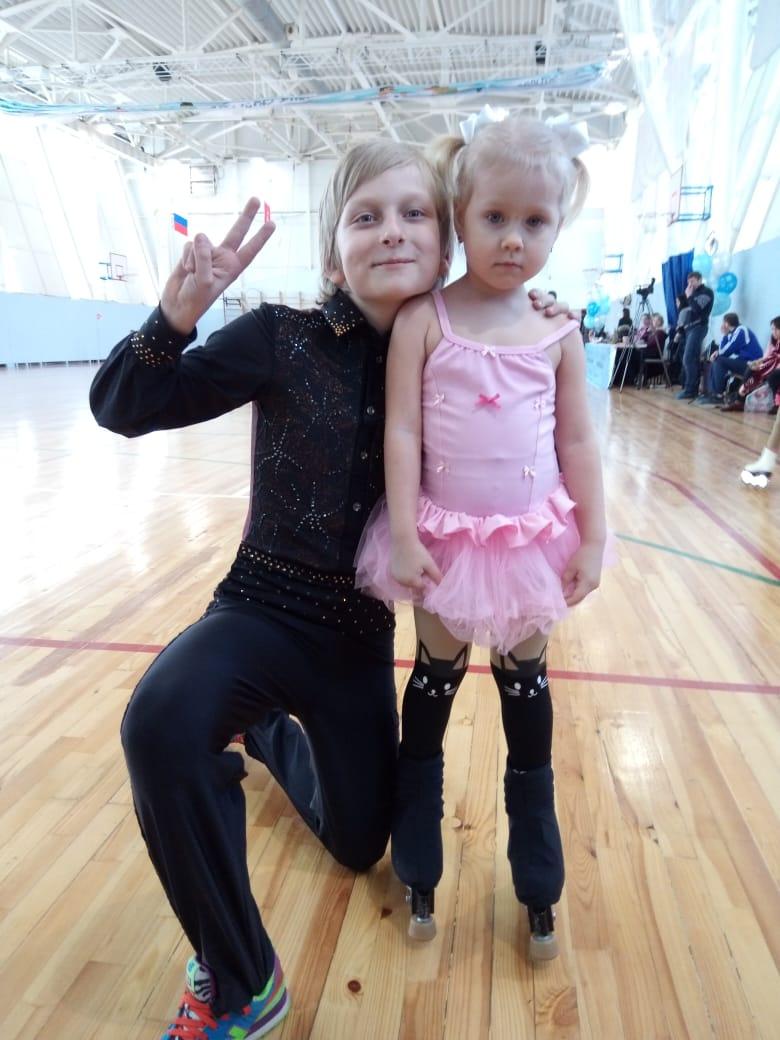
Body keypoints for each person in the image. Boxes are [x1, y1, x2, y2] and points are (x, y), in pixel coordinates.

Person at [89, 140, 566, 1040]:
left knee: (359, 845)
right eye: (365, 216)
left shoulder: (456, 354)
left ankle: (266, 729)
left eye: (414, 214)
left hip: (355, 639)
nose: (392, 231)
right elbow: (123, 406)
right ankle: (241, 978)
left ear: (447, 244)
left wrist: (532, 305)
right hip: (258, 609)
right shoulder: (278, 337)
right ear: (333, 253)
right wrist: (172, 318)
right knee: (159, 722)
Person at [354, 114, 606, 961]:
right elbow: (401, 431)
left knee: (524, 692)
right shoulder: (424, 320)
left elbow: (577, 440)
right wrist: (401, 532)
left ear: (558, 226)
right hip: (444, 542)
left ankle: (538, 875)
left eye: (536, 221)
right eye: (495, 217)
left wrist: (594, 538)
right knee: (434, 681)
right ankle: (418, 855)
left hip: (531, 546)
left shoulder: (558, 329)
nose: (513, 239)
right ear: (460, 215)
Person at [695, 312, 762, 405]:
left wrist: (724, 336)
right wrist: (719, 350)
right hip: (744, 362)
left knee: (719, 360)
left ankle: (718, 395)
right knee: (717, 360)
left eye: (723, 322)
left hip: (752, 365)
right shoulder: (734, 333)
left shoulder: (741, 330)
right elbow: (724, 351)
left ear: (726, 323)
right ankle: (712, 393)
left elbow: (725, 351)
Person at [722, 315, 780, 413]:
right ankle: (739, 401)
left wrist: (769, 367)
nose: (773, 332)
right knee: (751, 369)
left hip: (776, 368)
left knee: (774, 375)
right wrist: (757, 362)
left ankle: (777, 404)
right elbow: (766, 356)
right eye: (772, 329)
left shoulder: (741, 331)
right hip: (770, 365)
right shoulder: (773, 340)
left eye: (776, 329)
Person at [676, 270, 714, 399]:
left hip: (699, 327)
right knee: (691, 358)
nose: (690, 285)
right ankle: (692, 388)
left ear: (699, 280)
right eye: (689, 282)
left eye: (692, 281)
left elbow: (697, 308)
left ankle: (690, 390)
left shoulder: (706, 292)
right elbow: (685, 311)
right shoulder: (692, 294)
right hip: (689, 328)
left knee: (688, 358)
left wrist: (689, 296)